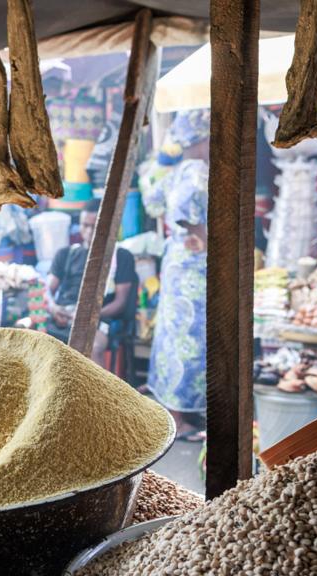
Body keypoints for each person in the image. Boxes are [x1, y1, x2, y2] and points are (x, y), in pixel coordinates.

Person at [139, 110, 210, 442]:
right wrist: (210, 242)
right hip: (194, 264)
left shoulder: (174, 171)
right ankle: (178, 417)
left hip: (179, 262)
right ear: (202, 138)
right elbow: (185, 215)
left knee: (175, 334)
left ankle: (179, 410)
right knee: (188, 338)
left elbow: (157, 205)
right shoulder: (196, 171)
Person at [45, 200, 138, 367]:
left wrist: (88, 316)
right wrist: (53, 307)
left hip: (97, 319)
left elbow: (120, 302)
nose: (88, 231)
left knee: (93, 347)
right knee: (29, 337)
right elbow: (46, 289)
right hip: (63, 315)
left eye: (94, 226)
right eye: (84, 225)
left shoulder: (121, 257)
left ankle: (99, 393)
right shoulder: (65, 254)